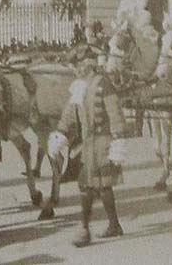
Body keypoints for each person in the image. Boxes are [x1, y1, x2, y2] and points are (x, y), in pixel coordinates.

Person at [48, 49, 126, 247]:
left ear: (87, 65)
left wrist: (118, 140)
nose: (75, 69)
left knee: (102, 185)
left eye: (77, 65)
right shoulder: (79, 87)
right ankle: (97, 226)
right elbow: (70, 114)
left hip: (103, 141)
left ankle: (95, 227)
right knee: (87, 184)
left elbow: (115, 113)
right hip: (87, 142)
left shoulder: (103, 84)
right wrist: (60, 134)